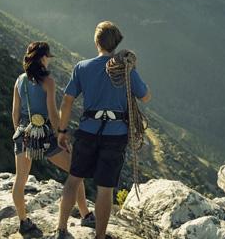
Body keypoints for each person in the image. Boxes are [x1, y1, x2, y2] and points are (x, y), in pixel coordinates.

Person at [54, 21, 151, 239]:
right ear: (117, 43)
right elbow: (145, 96)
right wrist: (132, 71)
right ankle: (99, 236)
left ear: (96, 42)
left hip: (88, 131)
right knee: (105, 188)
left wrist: (62, 130)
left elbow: (67, 101)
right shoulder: (125, 70)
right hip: (115, 135)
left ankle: (61, 229)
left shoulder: (82, 67)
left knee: (74, 179)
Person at [11, 41, 95, 238]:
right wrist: (60, 135)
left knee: (20, 180)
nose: (49, 61)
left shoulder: (19, 80)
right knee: (76, 170)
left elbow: (15, 113)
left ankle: (23, 222)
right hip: (46, 136)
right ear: (43, 58)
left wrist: (21, 134)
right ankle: (85, 215)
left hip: (24, 134)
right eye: (48, 57)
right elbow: (53, 113)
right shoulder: (48, 81)